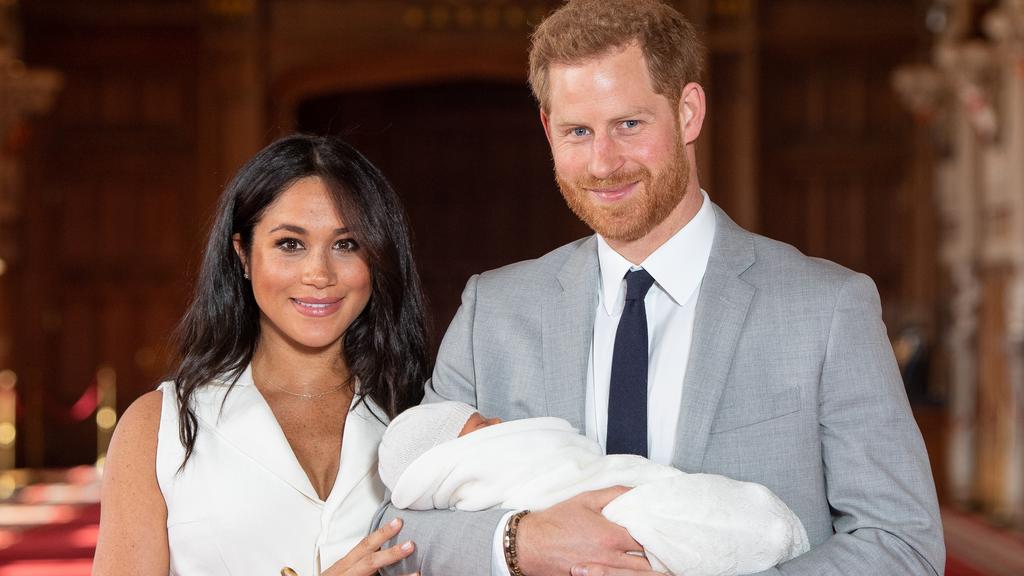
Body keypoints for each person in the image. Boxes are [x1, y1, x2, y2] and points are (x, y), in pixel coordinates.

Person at [376, 1, 945, 575]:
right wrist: (520, 544)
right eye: (578, 131)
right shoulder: (492, 312)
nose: (603, 163)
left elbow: (901, 544)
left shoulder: (827, 308)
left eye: (629, 124)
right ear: (548, 130)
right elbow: (395, 533)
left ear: (689, 112)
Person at [94, 134, 428, 576]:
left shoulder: (421, 413)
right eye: (290, 244)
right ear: (244, 255)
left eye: (347, 244)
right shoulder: (158, 428)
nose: (319, 274)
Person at [378, 401, 809, 576]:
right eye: (485, 427)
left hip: (631, 492)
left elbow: (876, 530)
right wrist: (519, 541)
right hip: (624, 509)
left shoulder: (833, 300)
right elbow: (393, 529)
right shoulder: (483, 306)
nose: (499, 425)